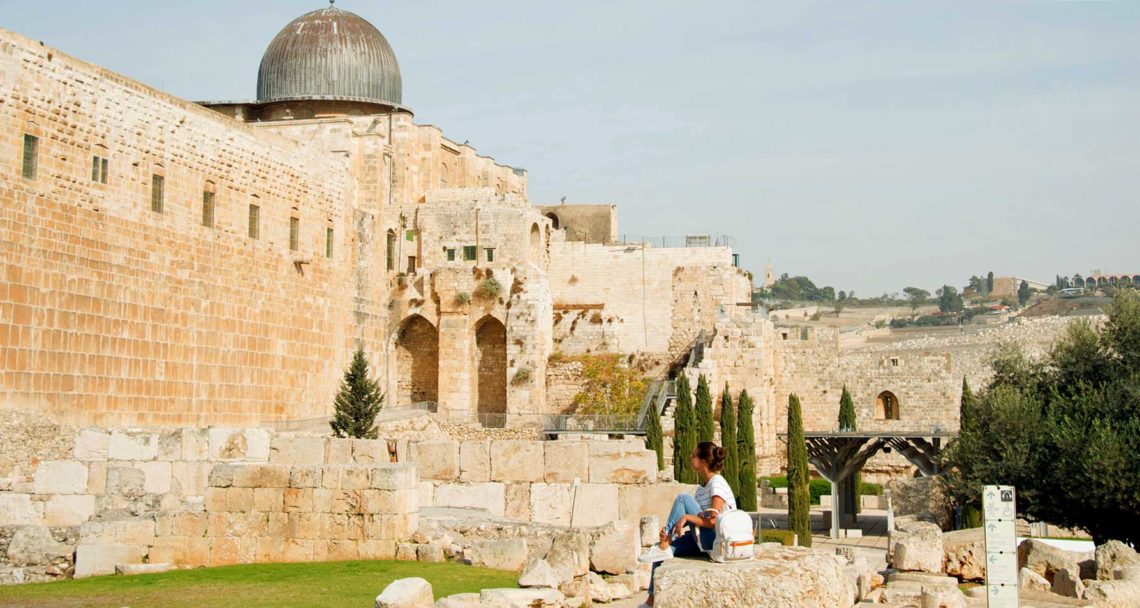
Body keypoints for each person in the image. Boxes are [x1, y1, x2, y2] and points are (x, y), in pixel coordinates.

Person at [636, 441, 737, 608]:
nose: (691, 459)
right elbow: (697, 520)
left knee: (683, 498)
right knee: (663, 553)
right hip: (705, 538)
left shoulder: (717, 482)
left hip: (718, 540)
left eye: (694, 456)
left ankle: (664, 541)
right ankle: (650, 601)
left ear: (703, 461)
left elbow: (713, 521)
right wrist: (678, 527)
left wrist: (687, 518)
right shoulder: (701, 488)